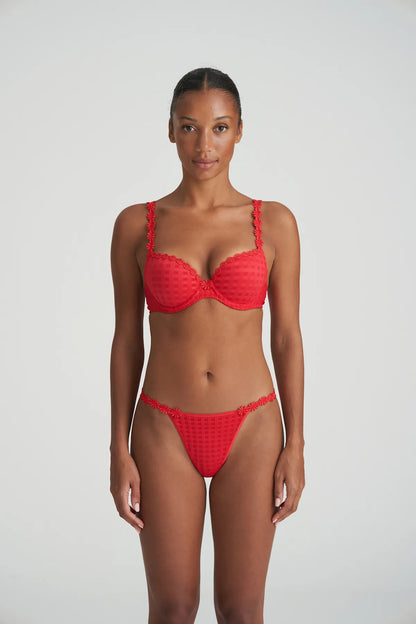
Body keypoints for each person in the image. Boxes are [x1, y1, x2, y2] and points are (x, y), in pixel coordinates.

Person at [109, 67, 305, 624]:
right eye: (190, 127)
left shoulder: (274, 223)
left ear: (239, 130)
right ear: (170, 129)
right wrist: (118, 446)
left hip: (253, 427)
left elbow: (287, 337)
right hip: (163, 427)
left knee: (240, 610)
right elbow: (126, 339)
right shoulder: (136, 225)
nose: (204, 145)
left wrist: (296, 444)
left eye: (219, 127)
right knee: (173, 608)